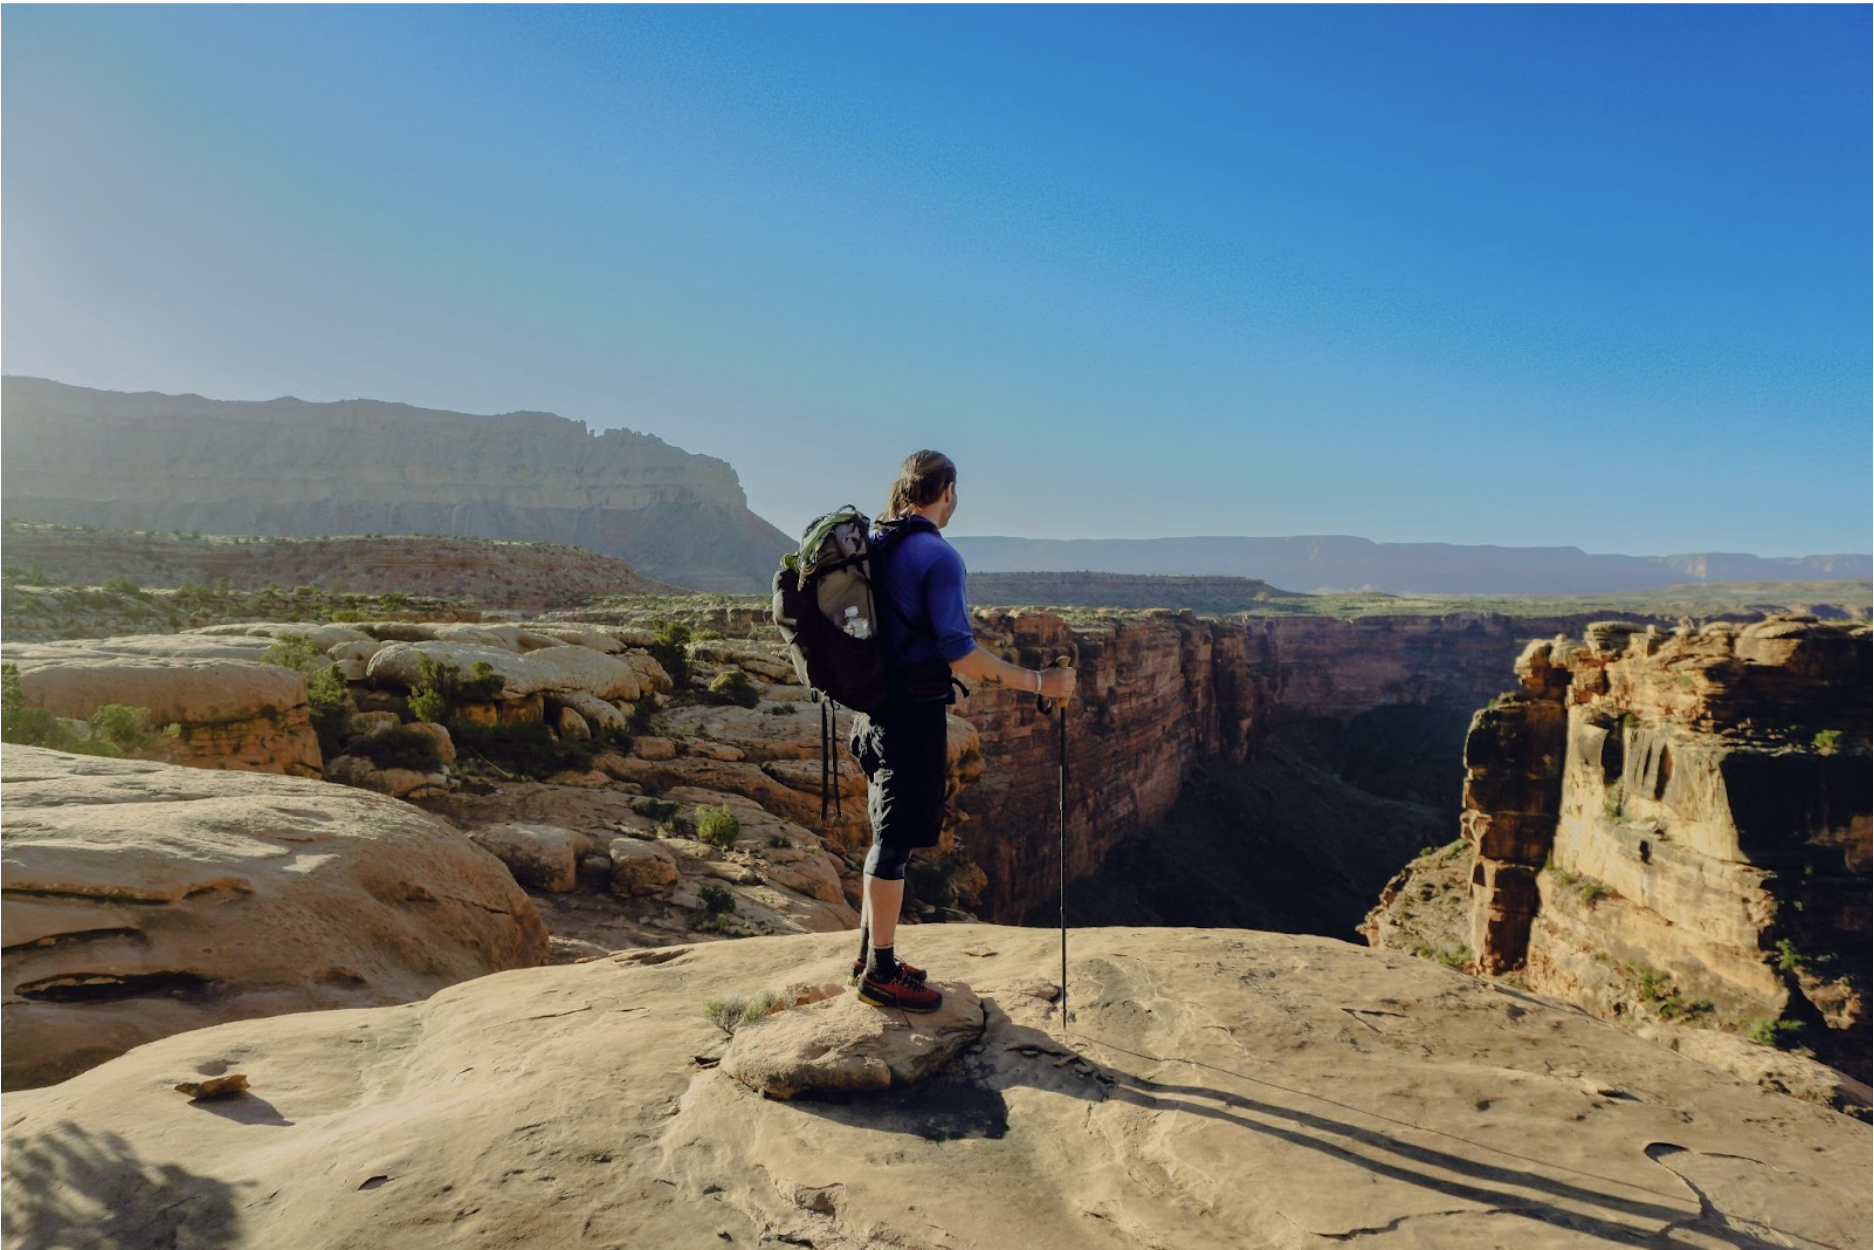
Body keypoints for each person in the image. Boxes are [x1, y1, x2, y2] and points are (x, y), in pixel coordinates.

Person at [849, 450, 1078, 1012]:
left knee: (886, 835)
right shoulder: (937, 556)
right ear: (946, 490)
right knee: (895, 842)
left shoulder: (879, 543)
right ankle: (879, 973)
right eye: (956, 493)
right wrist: (1040, 683)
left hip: (873, 710)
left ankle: (868, 957)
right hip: (909, 715)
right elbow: (960, 652)